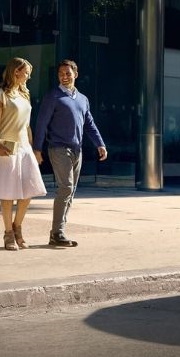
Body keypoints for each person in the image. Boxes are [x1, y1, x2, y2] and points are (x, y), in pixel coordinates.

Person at [32, 59, 107, 247]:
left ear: (76, 74)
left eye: (68, 73)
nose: (64, 77)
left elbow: (89, 124)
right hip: (58, 148)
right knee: (65, 188)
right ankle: (57, 232)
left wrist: (100, 144)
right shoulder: (53, 96)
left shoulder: (82, 99)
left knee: (70, 192)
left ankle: (58, 232)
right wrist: (37, 149)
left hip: (77, 150)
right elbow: (41, 123)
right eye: (61, 74)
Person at [0, 57, 48, 250]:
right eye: (26, 72)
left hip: (25, 148)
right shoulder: (0, 94)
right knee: (8, 194)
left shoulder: (25, 95)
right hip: (7, 148)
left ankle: (18, 227)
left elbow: (27, 126)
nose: (29, 76)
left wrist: (34, 150)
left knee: (28, 192)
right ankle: (8, 234)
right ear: (15, 71)